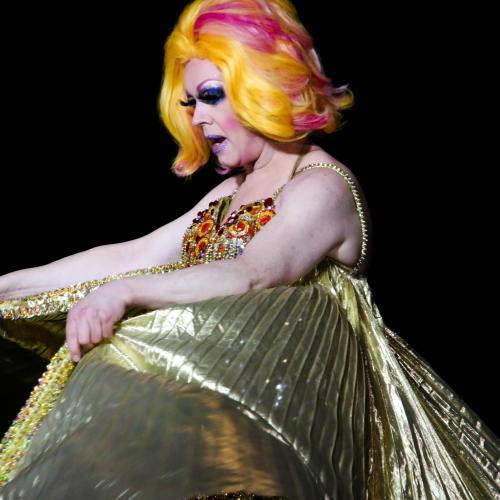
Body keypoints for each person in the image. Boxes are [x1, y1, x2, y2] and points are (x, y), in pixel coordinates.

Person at [0, 0, 498, 498]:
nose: (198, 118)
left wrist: (123, 293)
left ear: (262, 87)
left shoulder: (321, 186)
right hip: (219, 430)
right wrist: (8, 285)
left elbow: (254, 272)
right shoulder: (232, 191)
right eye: (192, 102)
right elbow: (135, 255)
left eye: (212, 96)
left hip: (289, 438)